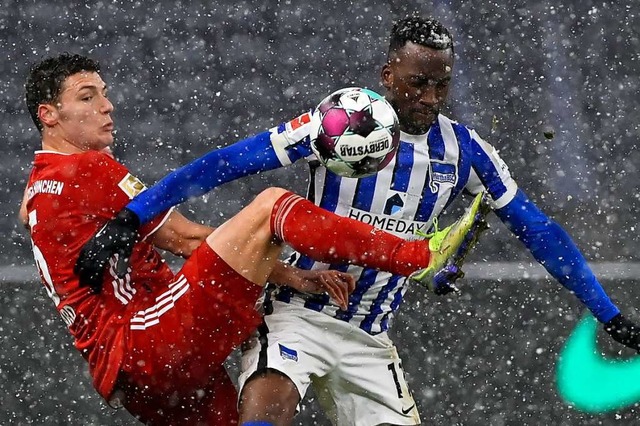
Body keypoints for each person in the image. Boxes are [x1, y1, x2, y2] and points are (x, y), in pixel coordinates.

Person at [75, 16, 640, 426]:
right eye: (417, 81)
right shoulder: (339, 121)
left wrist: (607, 312)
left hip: (370, 334)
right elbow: (226, 162)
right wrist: (132, 216)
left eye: (441, 83)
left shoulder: (466, 153)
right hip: (296, 313)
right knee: (267, 408)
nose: (429, 96)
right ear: (388, 73)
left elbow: (540, 232)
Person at [23, 53, 487, 425]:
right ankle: (419, 255)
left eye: (104, 94)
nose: (106, 107)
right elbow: (184, 239)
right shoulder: (90, 168)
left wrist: (286, 275)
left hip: (127, 381)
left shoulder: (38, 188)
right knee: (270, 206)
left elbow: (36, 218)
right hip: (147, 341)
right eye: (87, 98)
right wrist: (289, 273)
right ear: (49, 115)